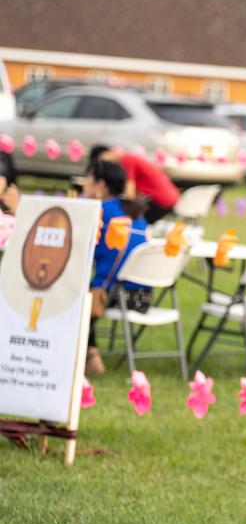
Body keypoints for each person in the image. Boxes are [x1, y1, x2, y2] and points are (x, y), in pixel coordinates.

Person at [83, 159, 150, 375]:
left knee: (73, 296)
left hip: (115, 296)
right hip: (143, 297)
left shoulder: (100, 211)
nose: (84, 184)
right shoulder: (137, 214)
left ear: (100, 185)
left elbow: (84, 251)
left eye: (87, 179)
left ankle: (90, 356)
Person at [91, 146, 180, 223]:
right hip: (171, 197)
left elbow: (129, 193)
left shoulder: (126, 160)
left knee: (131, 218)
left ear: (105, 155)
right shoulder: (130, 158)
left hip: (161, 199)